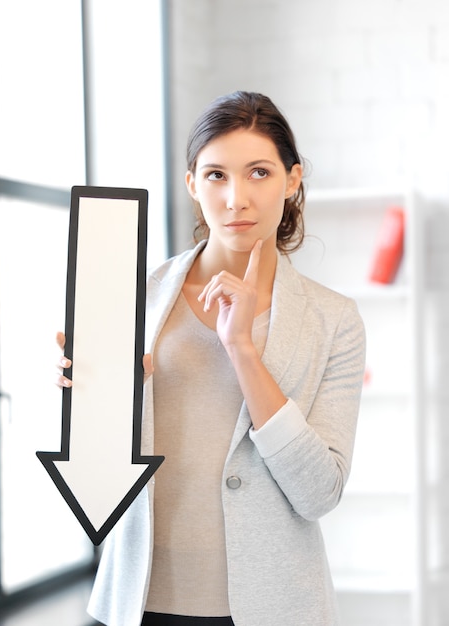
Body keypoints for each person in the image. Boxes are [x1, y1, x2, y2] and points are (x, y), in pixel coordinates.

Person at [57, 91, 366, 626]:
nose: (236, 198)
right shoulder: (137, 296)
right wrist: (87, 399)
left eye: (259, 173)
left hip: (274, 605)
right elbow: (100, 470)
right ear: (192, 184)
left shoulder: (333, 320)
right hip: (137, 599)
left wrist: (242, 348)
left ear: (293, 181)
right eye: (217, 175)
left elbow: (319, 492)